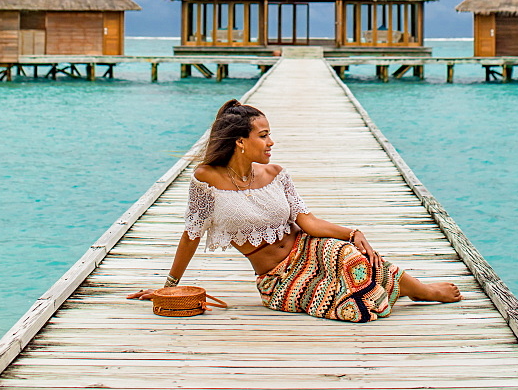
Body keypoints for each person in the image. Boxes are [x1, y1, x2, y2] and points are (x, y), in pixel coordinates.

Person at [129, 99, 461, 322]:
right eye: (264, 135)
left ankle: (420, 290)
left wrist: (352, 232)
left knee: (353, 260)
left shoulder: (276, 174)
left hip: (309, 248)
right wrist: (170, 284)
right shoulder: (206, 180)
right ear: (240, 142)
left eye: (270, 133)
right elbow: (191, 233)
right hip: (277, 277)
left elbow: (307, 221)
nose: (271, 141)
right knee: (356, 310)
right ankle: (390, 289)